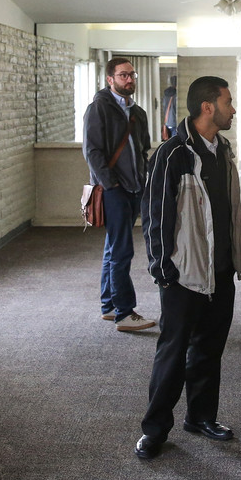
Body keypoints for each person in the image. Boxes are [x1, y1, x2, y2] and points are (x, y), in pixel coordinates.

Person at [134, 76, 241, 460]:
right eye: (229, 102)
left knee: (208, 350)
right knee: (172, 353)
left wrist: (233, 260)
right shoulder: (172, 153)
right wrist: (163, 270)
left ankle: (200, 417)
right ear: (208, 107)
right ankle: (154, 430)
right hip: (183, 273)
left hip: (220, 270)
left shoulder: (223, 149)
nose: (234, 109)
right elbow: (156, 215)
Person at [82, 57, 155, 332]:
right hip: (113, 190)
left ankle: (109, 306)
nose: (129, 79)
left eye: (132, 75)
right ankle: (125, 313)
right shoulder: (98, 108)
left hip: (135, 187)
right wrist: (111, 185)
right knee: (122, 251)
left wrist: (143, 179)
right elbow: (92, 152)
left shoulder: (139, 112)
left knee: (113, 248)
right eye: (123, 75)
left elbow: (143, 149)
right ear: (110, 80)